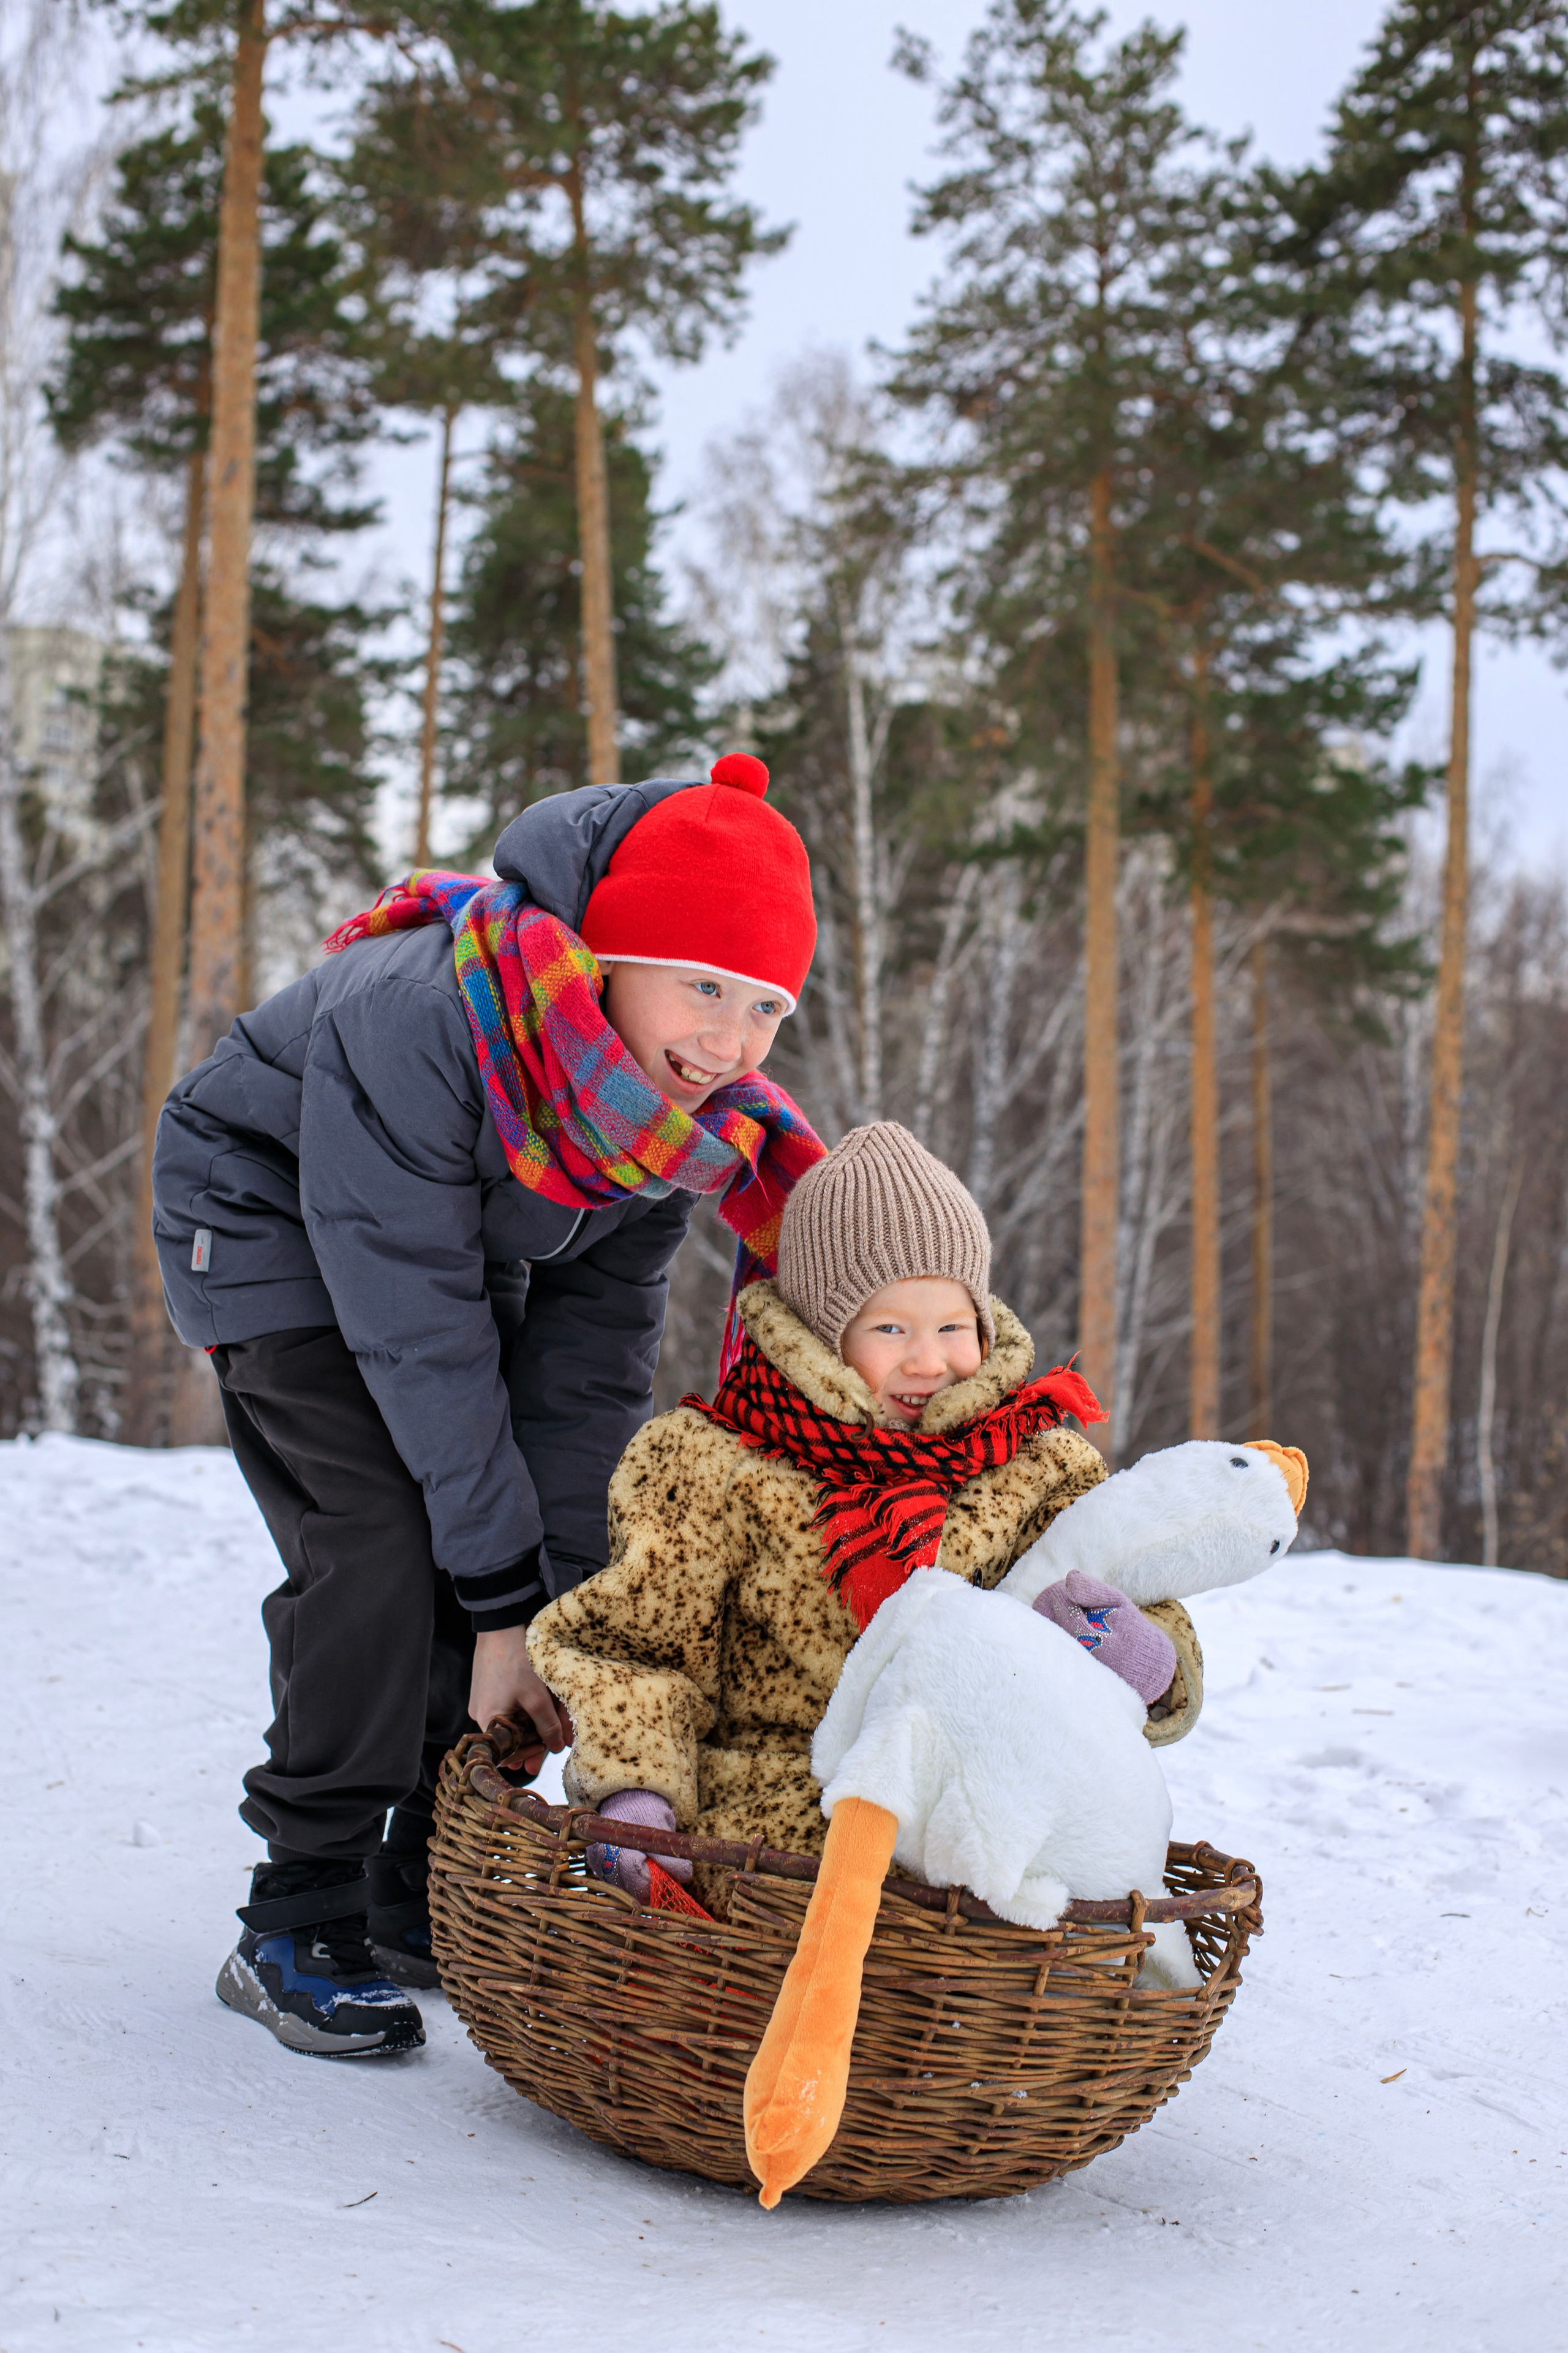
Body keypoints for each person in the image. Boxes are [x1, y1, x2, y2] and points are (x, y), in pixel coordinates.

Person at [151, 756, 821, 2057]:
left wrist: (555, 1622)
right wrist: (499, 1601)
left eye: (765, 1008)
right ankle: (298, 1907)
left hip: (442, 1246)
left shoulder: (662, 1124)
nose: (729, 1042)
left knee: (505, 1533)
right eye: (703, 985)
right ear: (611, 956)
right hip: (266, 1213)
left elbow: (583, 1382)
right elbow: (415, 1331)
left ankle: (418, 1865)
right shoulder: (425, 1012)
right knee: (386, 1534)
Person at [527, 1120, 1205, 1917]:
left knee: (1042, 1908)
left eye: (952, 1326)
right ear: (822, 1331)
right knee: (792, 1925)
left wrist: (1145, 1659)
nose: (930, 1359)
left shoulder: (1033, 1464)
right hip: (774, 1830)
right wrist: (638, 1790)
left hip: (982, 1823)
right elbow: (643, 1646)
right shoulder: (716, 1464)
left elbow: (1126, 1581)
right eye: (892, 1328)